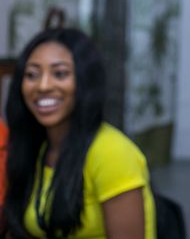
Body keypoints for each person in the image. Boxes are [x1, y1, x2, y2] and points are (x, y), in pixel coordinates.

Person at [2, 27, 156, 238]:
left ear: (86, 81)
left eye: (60, 73)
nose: (43, 86)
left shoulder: (112, 153)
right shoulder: (36, 146)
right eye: (32, 75)